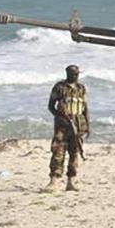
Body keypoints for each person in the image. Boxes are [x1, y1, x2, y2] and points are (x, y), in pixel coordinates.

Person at [45, 64, 90, 192]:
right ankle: (54, 181)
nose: (75, 76)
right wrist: (60, 118)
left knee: (74, 153)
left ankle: (71, 181)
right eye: (73, 74)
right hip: (63, 126)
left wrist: (87, 125)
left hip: (78, 124)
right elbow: (51, 106)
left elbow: (85, 108)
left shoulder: (81, 88)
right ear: (67, 73)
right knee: (58, 152)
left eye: (77, 74)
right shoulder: (59, 87)